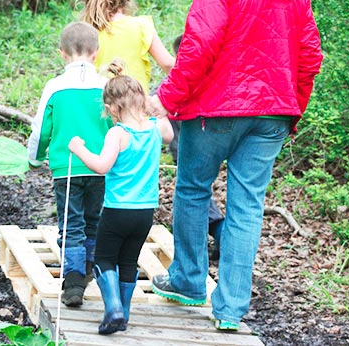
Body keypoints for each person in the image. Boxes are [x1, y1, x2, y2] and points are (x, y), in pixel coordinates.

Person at [150, 0, 323, 332]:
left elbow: (199, 47)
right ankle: (229, 310)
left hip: (216, 111)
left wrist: (167, 98)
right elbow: (310, 59)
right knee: (248, 206)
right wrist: (290, 109)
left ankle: (189, 282)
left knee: (192, 188)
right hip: (273, 114)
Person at [68, 61, 173, 335]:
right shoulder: (154, 129)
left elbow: (102, 166)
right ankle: (123, 316)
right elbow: (170, 132)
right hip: (145, 212)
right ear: (141, 100)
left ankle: (112, 309)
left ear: (112, 108)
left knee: (104, 259)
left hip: (116, 210)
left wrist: (79, 149)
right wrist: (153, 110)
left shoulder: (118, 133)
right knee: (128, 261)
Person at [27, 21, 113, 307]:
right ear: (96, 53)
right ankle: (88, 267)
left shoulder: (55, 87)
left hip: (67, 169)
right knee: (94, 221)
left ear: (62, 53)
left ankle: (74, 280)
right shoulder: (105, 87)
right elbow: (117, 125)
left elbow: (42, 129)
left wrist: (35, 158)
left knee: (71, 223)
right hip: (100, 167)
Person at [161, 34, 225, 255]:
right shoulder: (211, 81)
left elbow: (155, 98)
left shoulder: (178, 84)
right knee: (198, 191)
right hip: (209, 144)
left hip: (188, 148)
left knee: (193, 194)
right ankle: (216, 234)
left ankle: (216, 232)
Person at [76, 0, 175, 93]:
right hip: (136, 103)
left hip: (101, 101)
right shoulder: (141, 25)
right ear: (124, 3)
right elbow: (167, 64)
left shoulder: (88, 33)